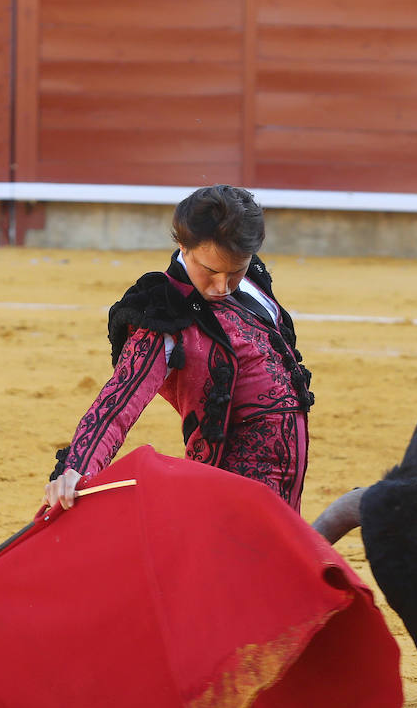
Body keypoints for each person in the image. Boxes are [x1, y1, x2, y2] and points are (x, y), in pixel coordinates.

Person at [43, 186, 314, 515]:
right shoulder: (167, 315)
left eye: (236, 271)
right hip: (228, 494)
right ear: (183, 245)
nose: (222, 287)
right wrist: (77, 468)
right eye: (211, 271)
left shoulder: (253, 283)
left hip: (286, 490)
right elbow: (119, 401)